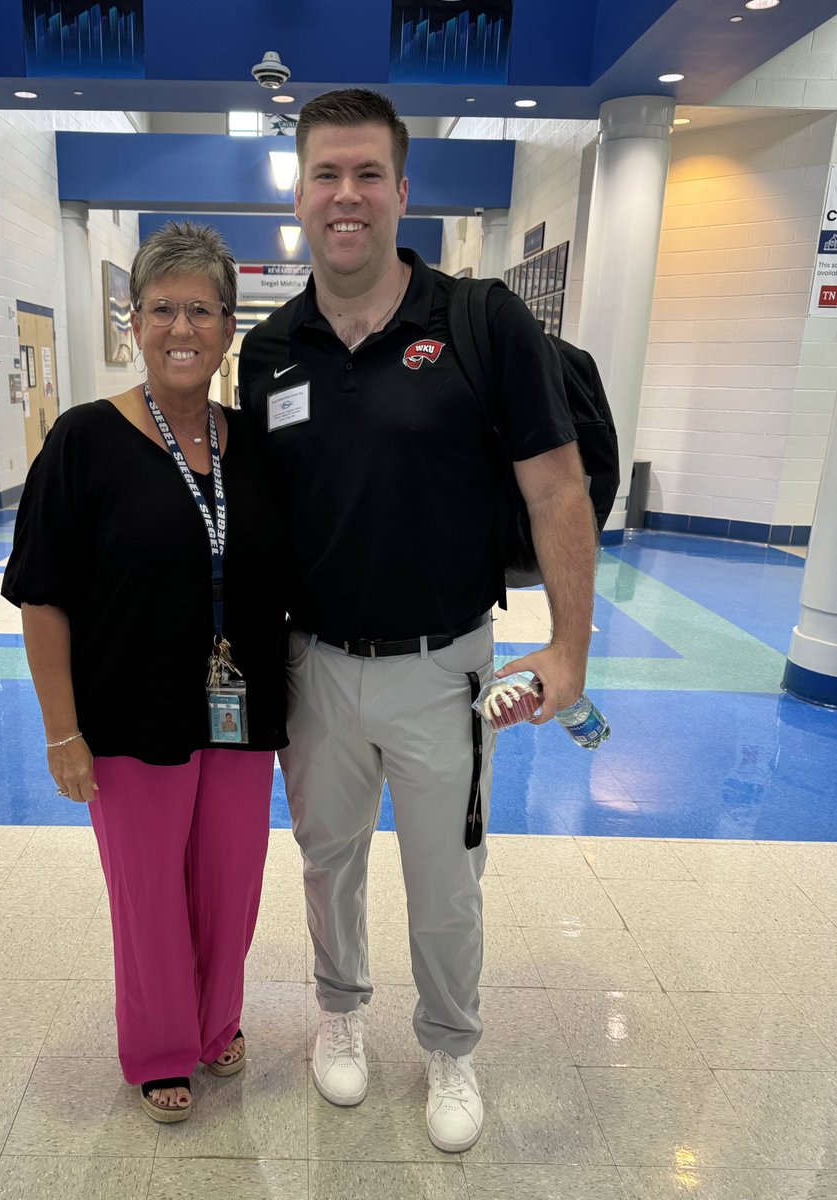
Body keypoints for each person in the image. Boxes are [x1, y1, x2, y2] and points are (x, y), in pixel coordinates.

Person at [238, 90, 596, 1153]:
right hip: (315, 665)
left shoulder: (480, 322)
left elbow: (559, 492)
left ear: (402, 189)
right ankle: (340, 1017)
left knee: (448, 881)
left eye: (365, 175)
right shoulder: (269, 352)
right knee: (325, 862)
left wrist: (569, 650)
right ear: (297, 194)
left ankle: (449, 1042)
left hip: (450, 668)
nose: (344, 197)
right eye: (323, 176)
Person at [3, 220, 287, 1124]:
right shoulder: (85, 442)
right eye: (161, 307)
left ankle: (217, 1023)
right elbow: (42, 595)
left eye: (200, 309)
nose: (180, 327)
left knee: (230, 882)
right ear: (133, 321)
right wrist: (63, 730)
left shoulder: (257, 448)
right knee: (149, 894)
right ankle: (163, 1047)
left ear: (227, 326)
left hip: (239, 714)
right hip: (128, 717)